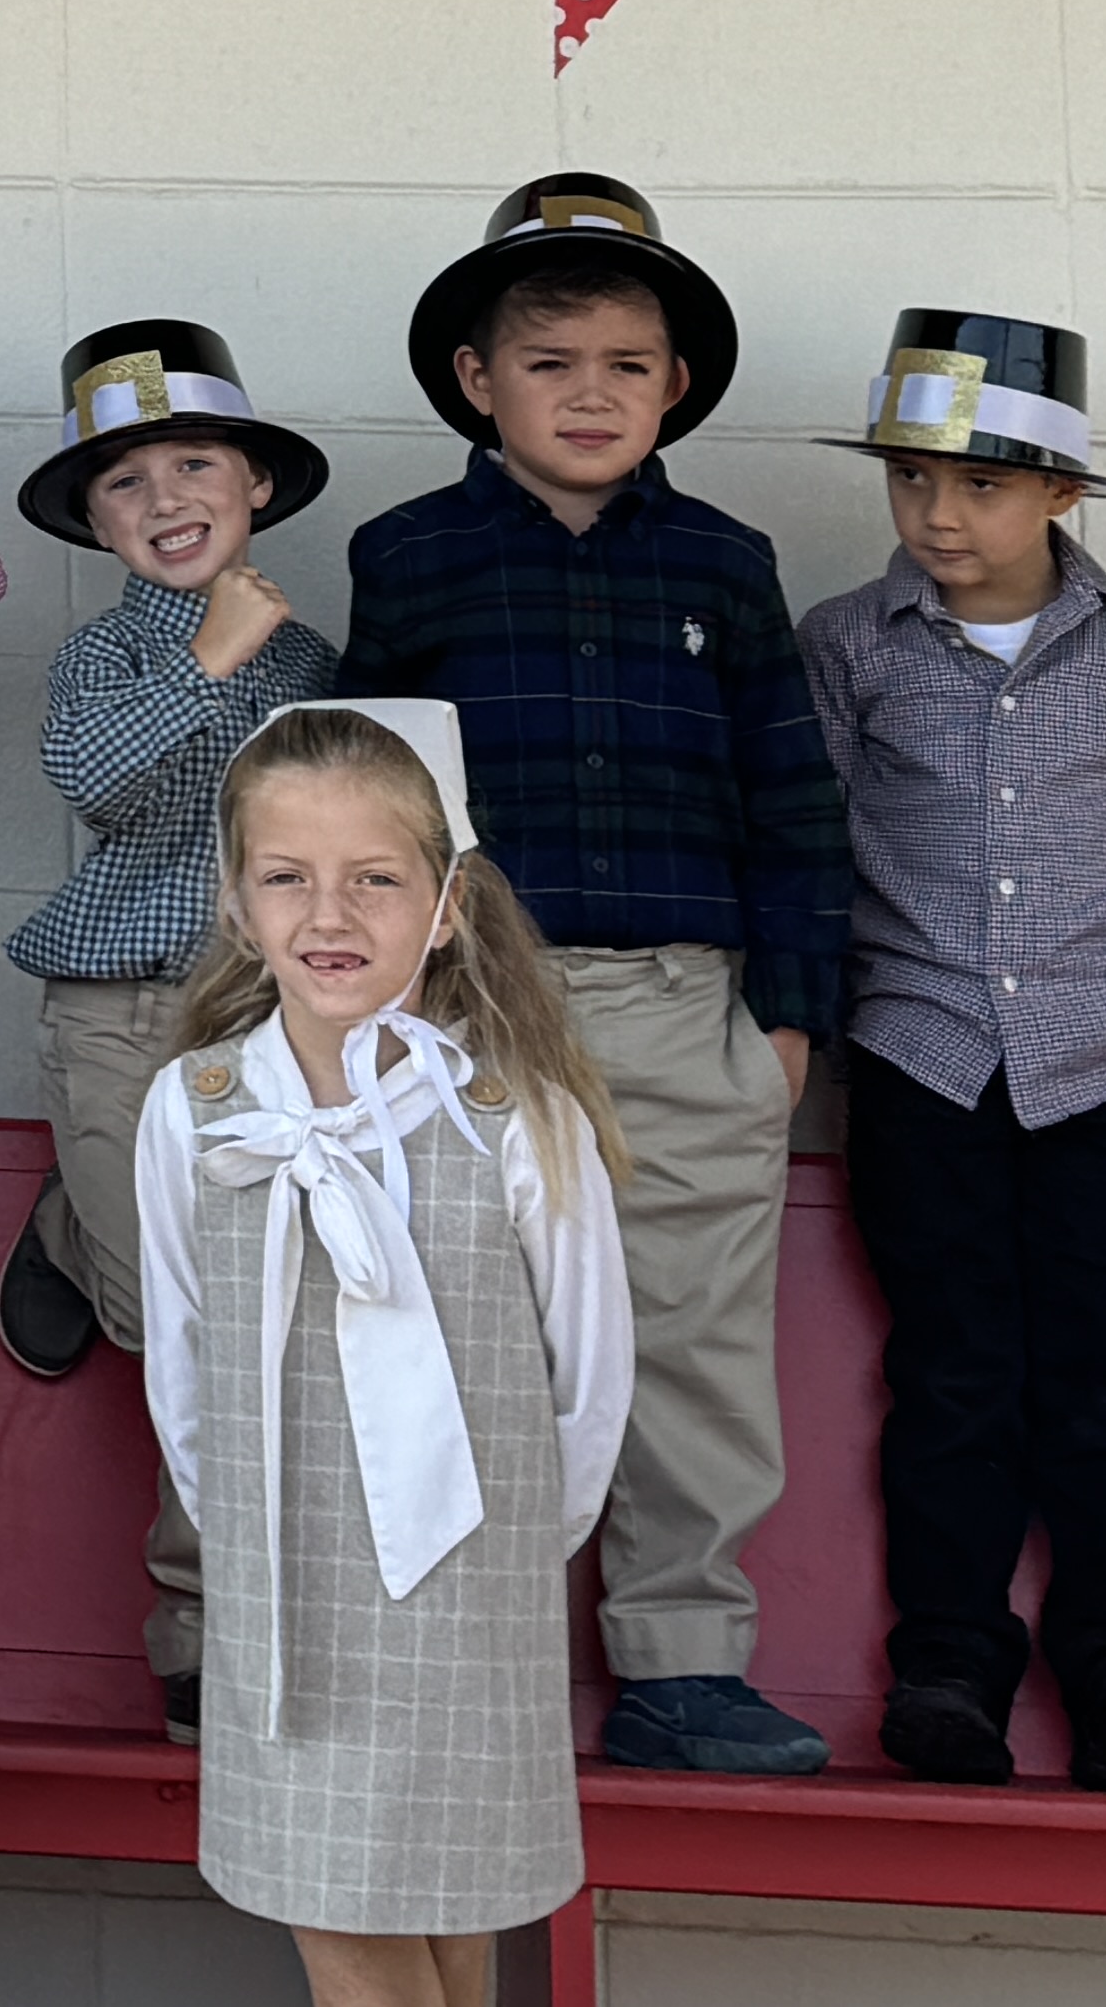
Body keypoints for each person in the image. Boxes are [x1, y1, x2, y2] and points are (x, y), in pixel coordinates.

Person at [339, 175, 844, 1778]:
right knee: (471, 1329)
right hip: (477, 1001)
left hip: (690, 1006)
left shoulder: (723, 561)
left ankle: (685, 1663)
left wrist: (789, 1021)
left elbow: (794, 797)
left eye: (629, 363)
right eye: (550, 362)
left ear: (676, 384)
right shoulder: (410, 556)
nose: (592, 394)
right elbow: (364, 799)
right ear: (479, 380)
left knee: (694, 1336)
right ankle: (465, 1654)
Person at [792, 313, 1106, 1793]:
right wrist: (860, 1020)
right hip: (925, 1065)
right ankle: (949, 1669)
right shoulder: (850, 646)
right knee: (954, 1374)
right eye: (913, 482)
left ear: (1058, 495)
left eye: (979, 486)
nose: (938, 515)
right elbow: (819, 842)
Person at [140, 702, 630, 2007]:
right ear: (240, 905)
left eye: (375, 878)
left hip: (470, 1585)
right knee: (344, 1924)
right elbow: (184, 1360)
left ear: (449, 903)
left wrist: (516, 1547)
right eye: (287, 877)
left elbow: (587, 1374)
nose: (329, 914)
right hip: (286, 1586)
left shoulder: (510, 1112)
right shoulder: (196, 1110)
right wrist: (243, 1530)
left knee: (448, 1926)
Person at [0, 318, 345, 1730]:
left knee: (251, 1330)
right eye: (126, 485)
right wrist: (210, 659)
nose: (165, 502)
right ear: (96, 522)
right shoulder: (107, 656)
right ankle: (88, 1227)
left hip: (270, 1028)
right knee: (165, 1321)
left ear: (254, 485)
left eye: (195, 465)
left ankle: (204, 1624)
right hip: (123, 1015)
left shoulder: (312, 657)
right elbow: (97, 782)